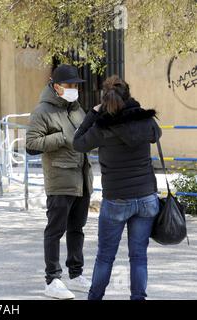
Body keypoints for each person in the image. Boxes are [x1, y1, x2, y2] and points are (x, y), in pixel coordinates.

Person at [73, 75, 162, 300]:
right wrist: (135, 107)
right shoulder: (144, 120)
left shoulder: (102, 127)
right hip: (146, 198)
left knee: (105, 257)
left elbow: (78, 142)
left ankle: (94, 298)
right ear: (128, 95)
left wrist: (93, 113)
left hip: (116, 200)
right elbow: (156, 133)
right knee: (139, 256)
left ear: (105, 100)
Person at [25, 64, 93, 299]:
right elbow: (31, 144)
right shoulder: (42, 111)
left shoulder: (77, 109)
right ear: (56, 87)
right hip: (60, 179)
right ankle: (52, 280)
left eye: (76, 86)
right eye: (70, 86)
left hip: (82, 178)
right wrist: (63, 137)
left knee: (77, 229)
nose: (74, 89)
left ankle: (76, 275)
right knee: (55, 230)